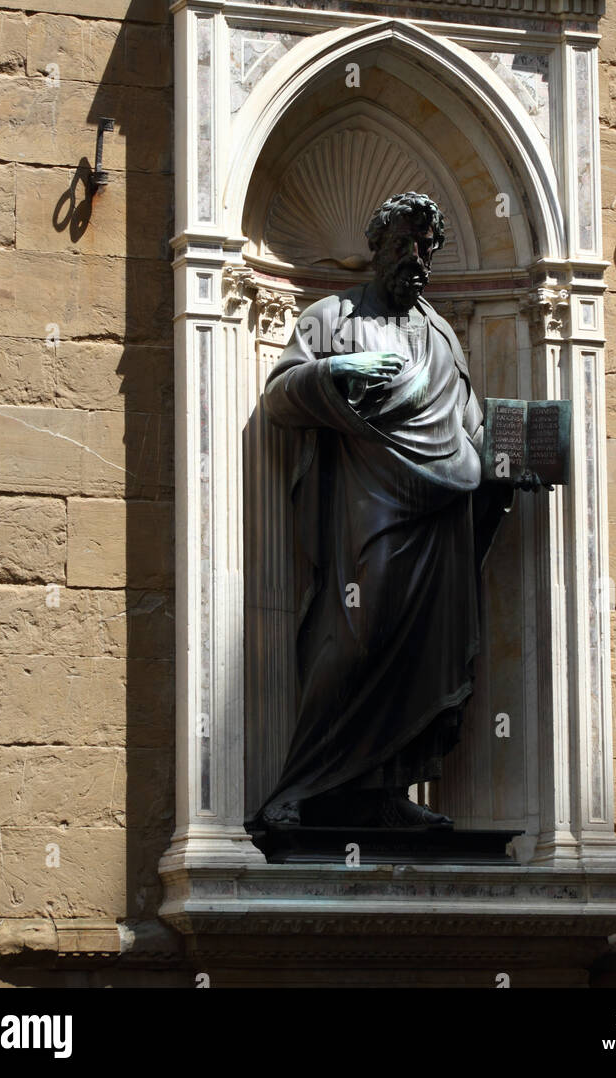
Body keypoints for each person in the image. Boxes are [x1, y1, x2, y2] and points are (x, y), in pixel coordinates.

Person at [248, 191, 512, 832]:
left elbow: (471, 430)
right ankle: (301, 785)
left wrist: (511, 463)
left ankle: (387, 794)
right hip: (366, 517)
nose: (416, 257)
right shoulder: (329, 320)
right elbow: (282, 397)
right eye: (404, 244)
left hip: (439, 525)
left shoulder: (444, 336)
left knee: (425, 654)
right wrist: (339, 368)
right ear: (378, 247)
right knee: (351, 641)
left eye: (426, 247)